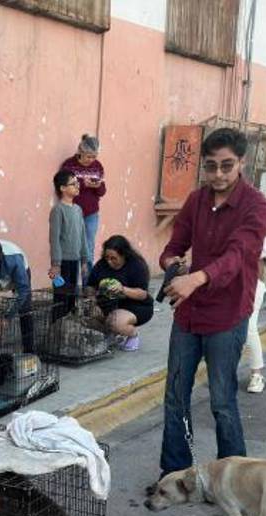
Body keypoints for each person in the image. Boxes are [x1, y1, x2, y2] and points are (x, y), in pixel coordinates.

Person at [152, 127, 266, 484]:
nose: (218, 174)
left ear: (241, 163)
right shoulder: (196, 200)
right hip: (189, 313)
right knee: (175, 396)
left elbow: (238, 254)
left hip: (227, 314)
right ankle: (176, 475)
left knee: (222, 400)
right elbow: (173, 246)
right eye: (210, 166)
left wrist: (197, 278)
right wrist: (172, 263)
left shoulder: (257, 206)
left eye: (226, 165)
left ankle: (235, 480)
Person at [85, 235, 154, 352]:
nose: (109, 261)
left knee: (115, 321)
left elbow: (142, 294)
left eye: (114, 258)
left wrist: (123, 289)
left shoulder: (136, 266)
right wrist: (91, 298)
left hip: (135, 306)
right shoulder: (101, 265)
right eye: (107, 257)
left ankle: (132, 334)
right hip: (108, 304)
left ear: (124, 255)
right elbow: (90, 286)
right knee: (89, 314)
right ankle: (111, 334)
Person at [59, 134, 106, 273]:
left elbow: (102, 191)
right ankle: (69, 280)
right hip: (71, 212)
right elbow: (62, 188)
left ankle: (87, 281)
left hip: (91, 213)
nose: (91, 160)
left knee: (88, 247)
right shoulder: (69, 165)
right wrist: (83, 185)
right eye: (88, 156)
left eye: (94, 157)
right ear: (80, 151)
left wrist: (97, 186)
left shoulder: (98, 166)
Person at [49, 170, 90, 321]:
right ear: (62, 188)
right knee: (61, 298)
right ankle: (57, 327)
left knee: (72, 297)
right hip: (62, 262)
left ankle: (69, 326)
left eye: (77, 183)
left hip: (75, 261)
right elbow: (54, 239)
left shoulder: (78, 210)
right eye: (73, 184)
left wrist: (84, 259)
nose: (77, 186)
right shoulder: (58, 210)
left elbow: (83, 235)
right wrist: (56, 264)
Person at [245, 236, 266, 393]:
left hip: (252, 284)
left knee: (249, 327)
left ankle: (256, 374)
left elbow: (260, 263)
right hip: (225, 284)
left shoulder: (257, 230)